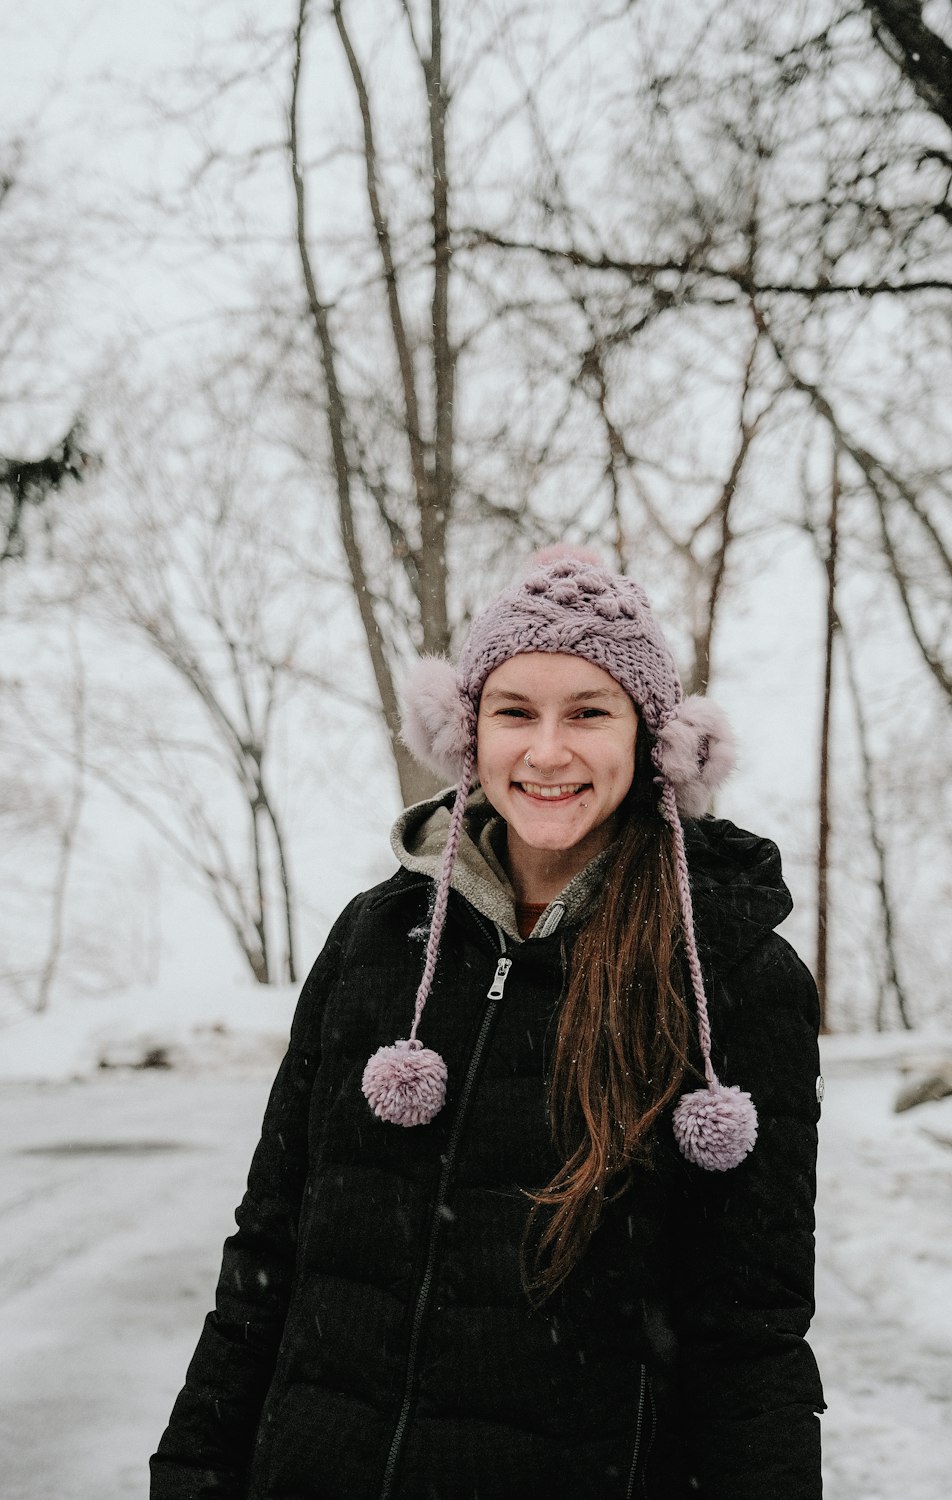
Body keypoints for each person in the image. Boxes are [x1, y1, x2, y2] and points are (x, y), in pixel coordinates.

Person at [151, 550, 825, 1499]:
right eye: (515, 712)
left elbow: (750, 1338)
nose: (547, 752)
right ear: (466, 733)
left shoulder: (732, 978)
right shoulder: (376, 941)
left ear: (655, 744)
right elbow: (269, 1253)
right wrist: (192, 1472)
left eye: (589, 712)